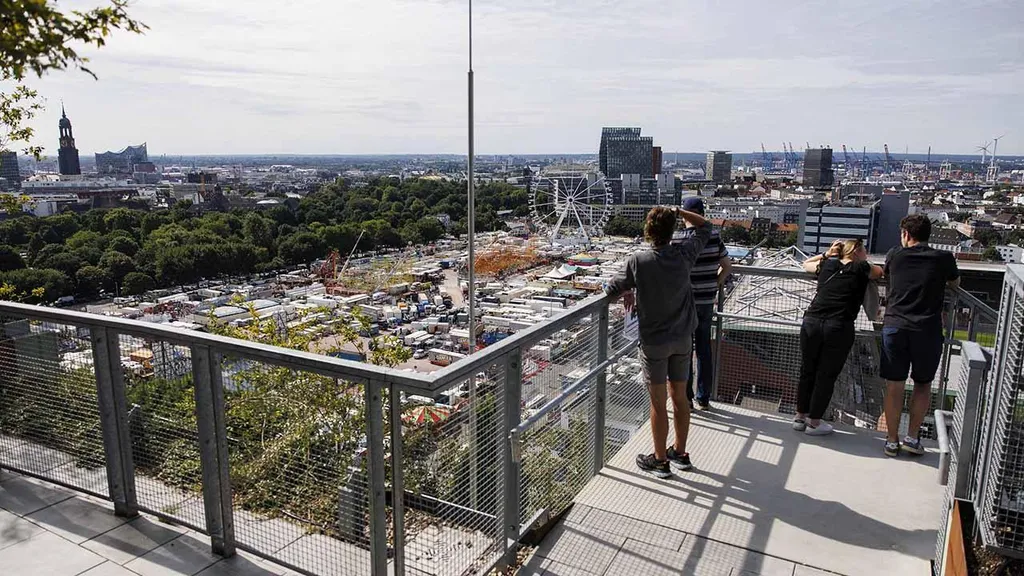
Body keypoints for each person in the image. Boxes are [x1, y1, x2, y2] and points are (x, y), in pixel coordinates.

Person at [606, 206, 712, 478]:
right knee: (680, 398)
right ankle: (681, 451)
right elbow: (706, 227)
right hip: (682, 338)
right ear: (672, 230)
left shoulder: (638, 261)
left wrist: (628, 288)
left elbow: (610, 287)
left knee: (658, 403)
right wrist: (680, 211)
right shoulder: (684, 254)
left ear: (648, 230)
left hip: (654, 341)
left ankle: (660, 460)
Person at [881, 215, 959, 457]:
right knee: (922, 385)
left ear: (906, 234)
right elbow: (956, 284)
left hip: (895, 325)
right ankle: (912, 438)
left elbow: (887, 277)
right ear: (928, 235)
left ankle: (891, 441)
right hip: (927, 329)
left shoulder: (895, 255)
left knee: (894, 386)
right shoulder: (944, 258)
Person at [796, 239, 883, 435]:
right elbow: (879, 272)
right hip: (839, 325)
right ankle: (815, 422)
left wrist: (828, 253)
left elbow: (806, 264)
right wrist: (862, 262)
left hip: (812, 321)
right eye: (864, 251)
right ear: (857, 252)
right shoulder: (861, 268)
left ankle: (800, 416)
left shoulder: (828, 264)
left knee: (807, 371)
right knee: (826, 375)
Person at [672, 196, 731, 410]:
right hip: (706, 301)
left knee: (685, 351)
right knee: (704, 349)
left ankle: (686, 398)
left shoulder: (677, 238)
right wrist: (714, 283)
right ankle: (704, 397)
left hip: (684, 303)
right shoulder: (713, 237)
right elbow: (726, 266)